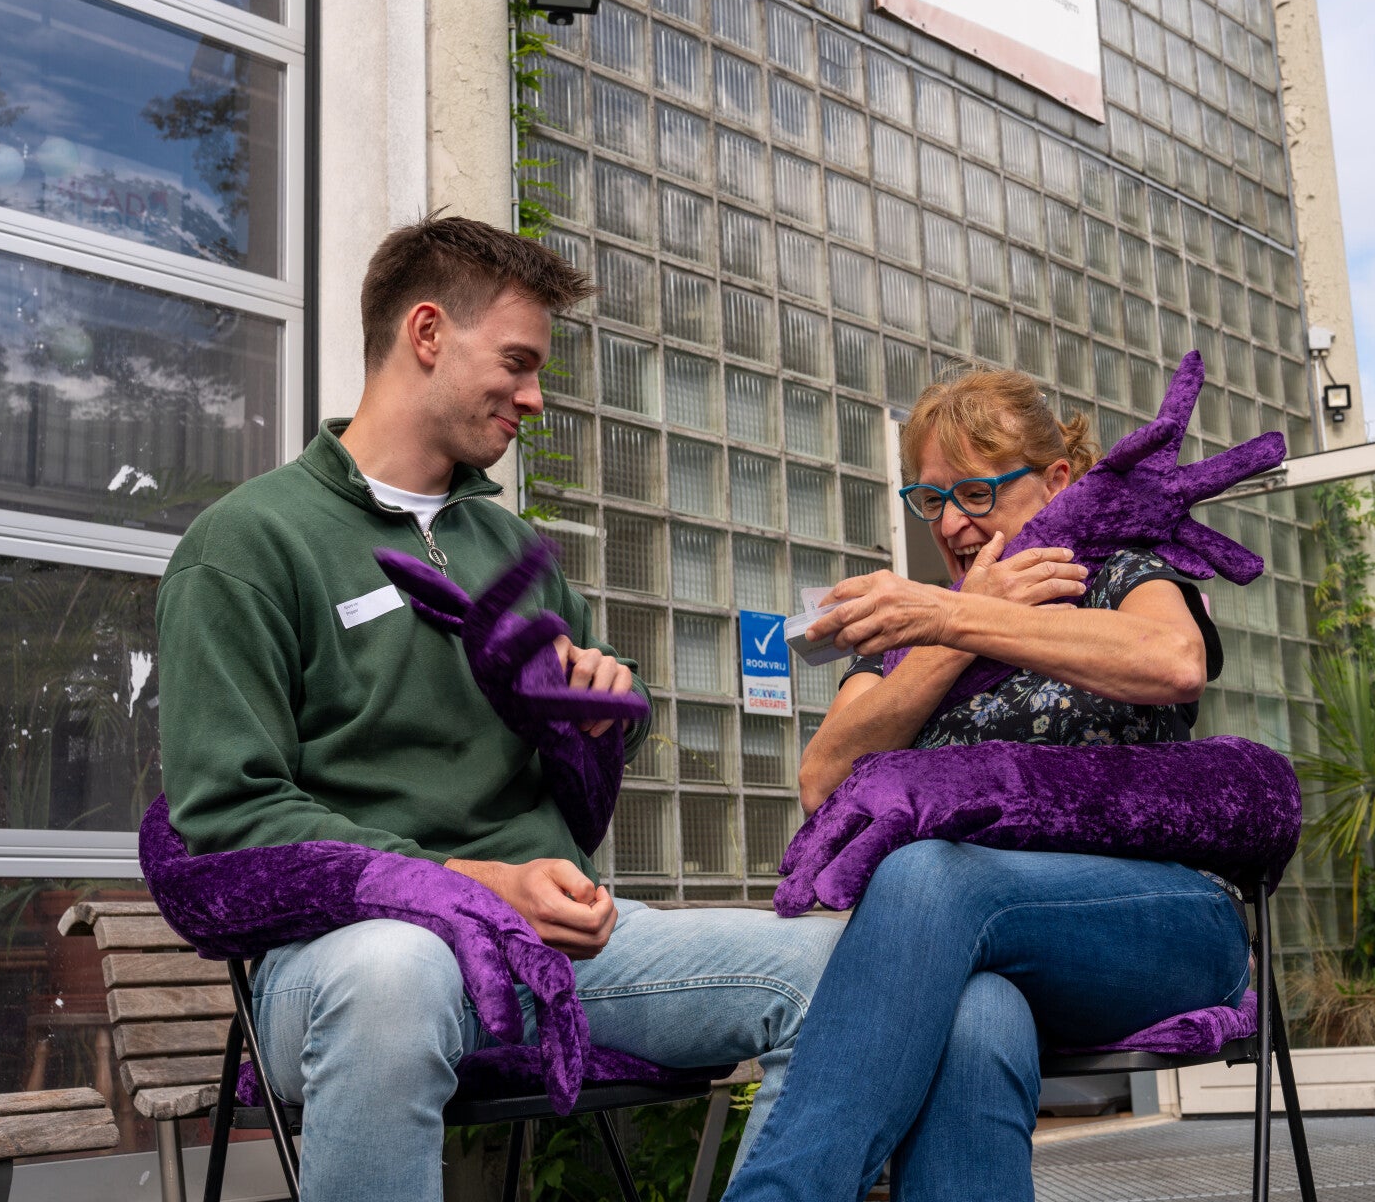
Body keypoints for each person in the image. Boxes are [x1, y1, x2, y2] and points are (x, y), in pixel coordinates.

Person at [158, 216, 868, 1201]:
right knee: (395, 969)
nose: (534, 396)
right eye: (518, 362)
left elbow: (599, 723)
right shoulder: (247, 543)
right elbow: (229, 815)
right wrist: (474, 884)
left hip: (549, 951)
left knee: (853, 964)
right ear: (426, 332)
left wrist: (600, 706)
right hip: (340, 962)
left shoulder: (507, 547)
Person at [720, 368, 1254, 1202]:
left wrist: (961, 615)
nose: (951, 524)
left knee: (928, 873)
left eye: (975, 492)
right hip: (985, 950)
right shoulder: (912, 629)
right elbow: (822, 780)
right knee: (977, 1016)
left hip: (1163, 927)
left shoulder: (1118, 573)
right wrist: (948, 634)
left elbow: (1174, 663)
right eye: (929, 500)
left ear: (1057, 481)